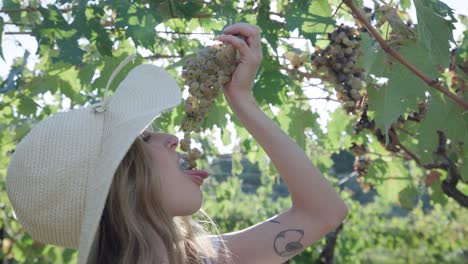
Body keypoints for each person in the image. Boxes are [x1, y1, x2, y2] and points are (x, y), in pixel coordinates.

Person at [5, 23, 348, 264]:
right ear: (123, 178)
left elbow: (324, 213)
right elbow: (321, 214)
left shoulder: (205, 258)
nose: (172, 138)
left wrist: (242, 99)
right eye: (144, 138)